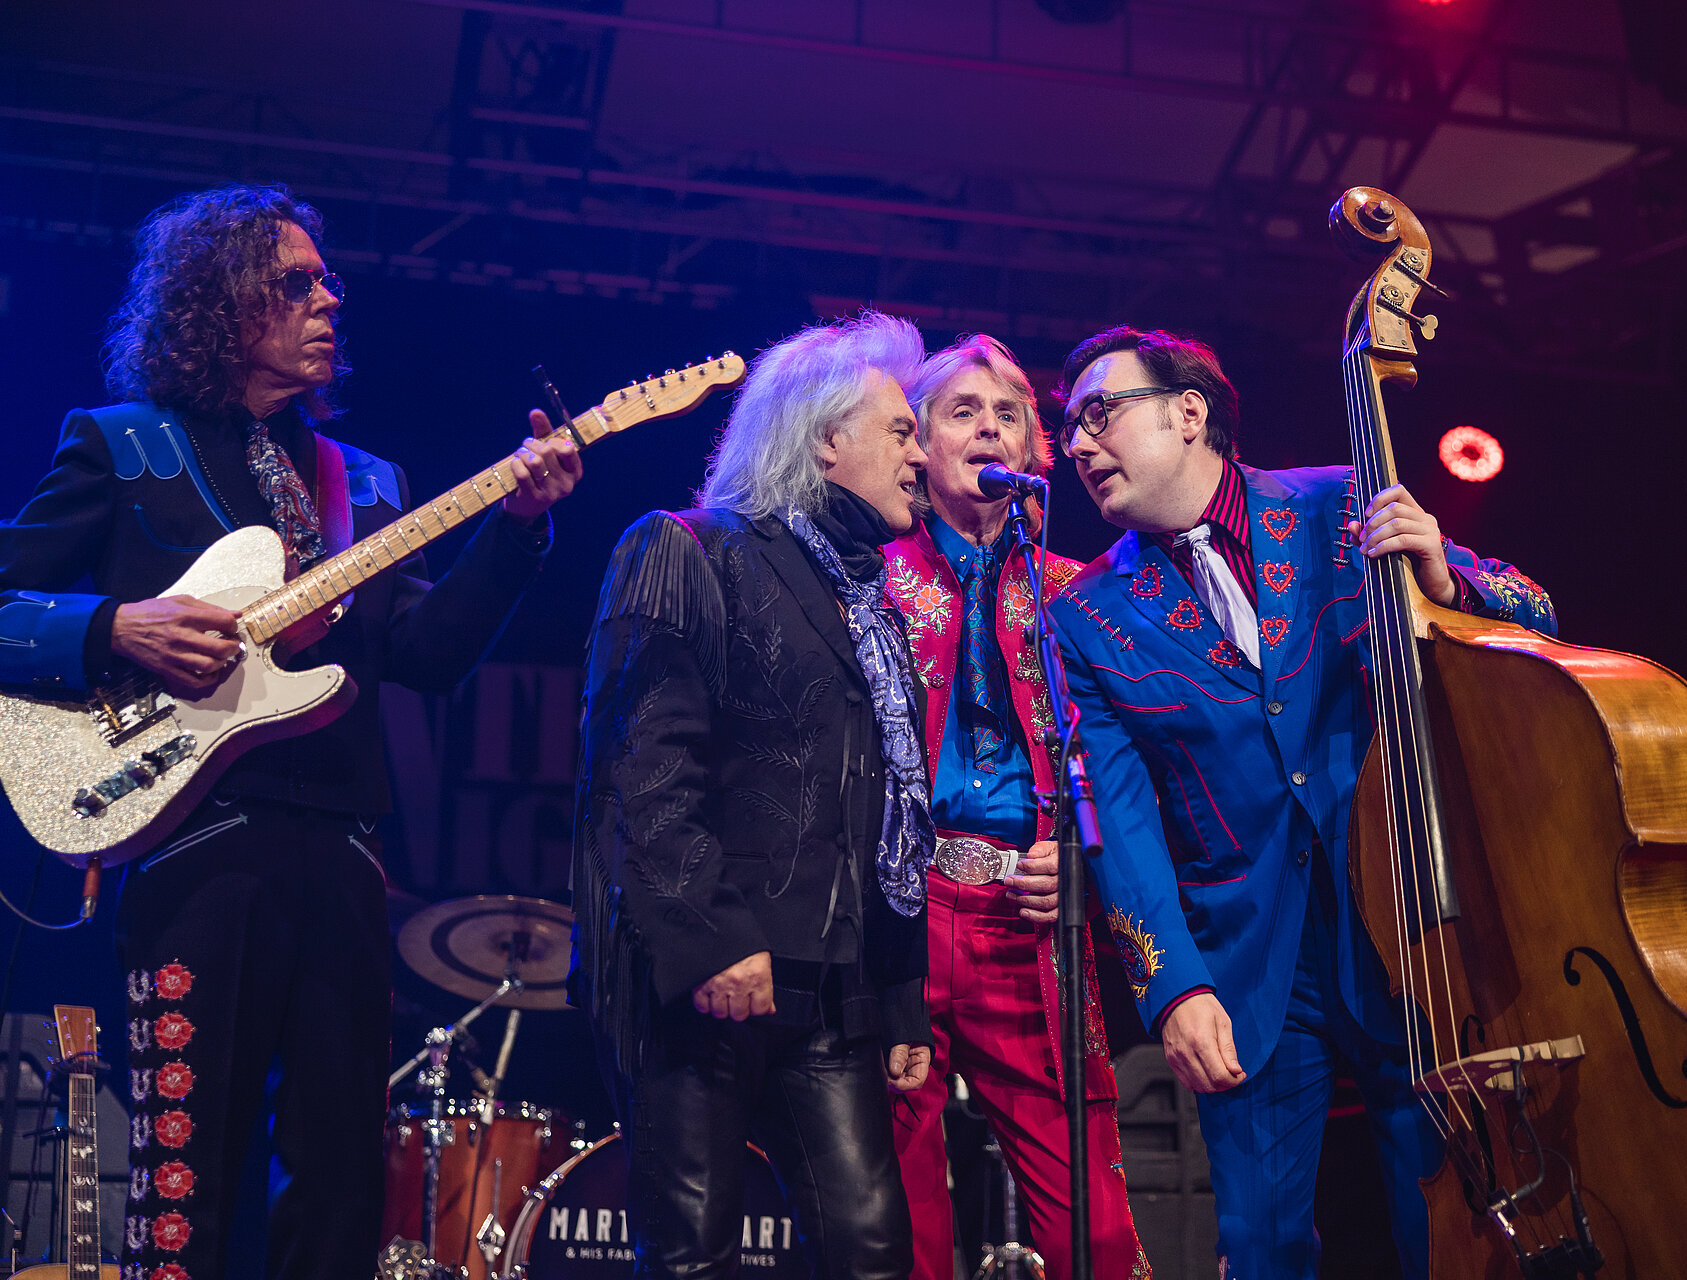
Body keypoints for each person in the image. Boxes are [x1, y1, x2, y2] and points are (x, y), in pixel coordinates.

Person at [0, 183, 580, 1279]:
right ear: (218, 302)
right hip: (189, 847)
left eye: (327, 280)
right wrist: (117, 624)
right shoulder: (124, 448)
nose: (328, 298)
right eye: (295, 281)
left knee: (339, 1177)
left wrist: (518, 530)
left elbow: (428, 654)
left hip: (346, 856)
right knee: (185, 1170)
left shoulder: (363, 480)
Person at [1044, 328, 1557, 1280]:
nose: (1076, 444)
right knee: (1264, 1245)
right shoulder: (1087, 613)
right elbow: (1118, 819)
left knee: (1448, 1222)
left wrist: (1446, 578)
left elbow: (1534, 612)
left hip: (1412, 928)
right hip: (1249, 965)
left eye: (1098, 413)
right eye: (1069, 428)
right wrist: (1175, 987)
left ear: (1187, 412)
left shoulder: (1337, 503)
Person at [571, 311, 939, 1279]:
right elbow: (642, 767)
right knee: (692, 1251)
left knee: (869, 1246)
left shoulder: (869, 598)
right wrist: (711, 937)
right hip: (711, 972)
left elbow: (886, 814)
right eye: (901, 429)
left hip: (833, 987)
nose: (922, 452)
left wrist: (899, 996)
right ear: (825, 438)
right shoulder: (691, 549)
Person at [882, 335, 1150, 1279]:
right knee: (900, 1223)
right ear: (915, 442)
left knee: (1097, 1231)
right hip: (902, 915)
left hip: (1030, 917)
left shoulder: (1080, 591)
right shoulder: (871, 578)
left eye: (1008, 414)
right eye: (962, 411)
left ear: (1036, 453)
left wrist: (1088, 856)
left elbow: (1132, 770)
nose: (988, 427)